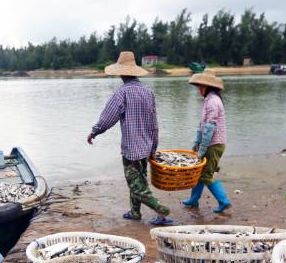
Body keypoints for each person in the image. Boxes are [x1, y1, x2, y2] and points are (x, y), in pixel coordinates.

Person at [87, 51, 173, 225]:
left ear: (121, 72)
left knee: (136, 184)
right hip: (146, 146)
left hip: (131, 150)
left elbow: (107, 119)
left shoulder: (122, 93)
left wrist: (94, 132)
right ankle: (135, 212)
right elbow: (154, 124)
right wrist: (153, 148)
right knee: (138, 180)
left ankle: (162, 210)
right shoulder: (148, 93)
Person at [182, 69, 231, 213]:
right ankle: (193, 199)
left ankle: (224, 201)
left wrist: (202, 150)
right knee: (199, 172)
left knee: (206, 175)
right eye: (198, 87)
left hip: (214, 144)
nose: (199, 90)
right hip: (210, 144)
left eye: (200, 87)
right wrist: (196, 143)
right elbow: (202, 125)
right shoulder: (209, 99)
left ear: (207, 87)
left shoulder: (213, 102)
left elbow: (210, 128)